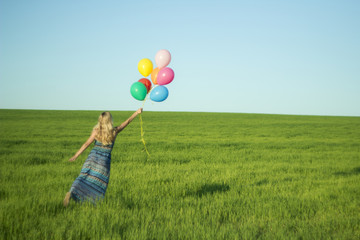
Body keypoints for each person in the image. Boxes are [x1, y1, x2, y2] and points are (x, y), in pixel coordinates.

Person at [63, 108, 143, 207]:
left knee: (83, 176)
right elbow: (127, 122)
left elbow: (86, 144)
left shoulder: (96, 131)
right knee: (99, 181)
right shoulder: (114, 131)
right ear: (110, 121)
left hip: (92, 158)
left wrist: (75, 156)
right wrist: (136, 113)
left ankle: (72, 191)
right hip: (104, 161)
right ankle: (93, 202)